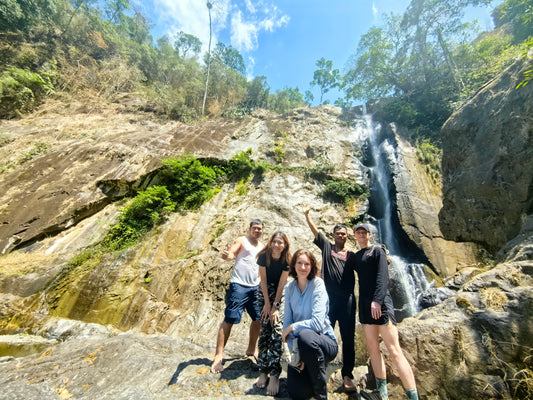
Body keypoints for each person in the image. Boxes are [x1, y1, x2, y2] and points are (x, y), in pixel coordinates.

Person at [352, 223, 419, 400]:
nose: (360, 235)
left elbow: (383, 277)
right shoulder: (357, 256)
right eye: (357, 233)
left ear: (369, 235)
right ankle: (383, 395)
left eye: (363, 232)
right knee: (373, 349)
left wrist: (377, 301)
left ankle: (413, 396)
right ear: (355, 236)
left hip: (380, 305)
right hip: (365, 308)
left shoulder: (377, 251)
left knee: (394, 351)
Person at [302, 204, 357, 392]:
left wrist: (383, 257)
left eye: (344, 234)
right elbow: (315, 231)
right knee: (324, 334)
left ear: (347, 236)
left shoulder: (352, 255)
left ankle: (347, 375)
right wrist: (307, 215)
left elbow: (366, 265)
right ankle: (319, 371)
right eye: (338, 233)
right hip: (329, 300)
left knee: (348, 338)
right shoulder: (327, 247)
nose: (341, 236)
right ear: (333, 235)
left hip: (348, 300)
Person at [282, 249, 338, 400]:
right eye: (299, 263)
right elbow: (286, 323)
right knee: (297, 393)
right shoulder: (289, 288)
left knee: (306, 335)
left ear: (312, 266)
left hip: (324, 342)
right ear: (293, 265)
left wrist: (294, 327)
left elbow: (317, 324)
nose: (303, 267)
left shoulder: (317, 284)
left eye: (307, 264)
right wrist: (296, 352)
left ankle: (321, 395)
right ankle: (310, 368)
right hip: (301, 346)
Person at [211, 219, 264, 374]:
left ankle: (251, 349)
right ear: (249, 229)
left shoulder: (262, 247)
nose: (257, 231)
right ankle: (218, 356)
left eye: (260, 229)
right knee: (230, 319)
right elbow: (232, 253)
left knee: (258, 318)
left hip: (255, 287)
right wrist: (228, 256)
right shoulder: (242, 240)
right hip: (239, 286)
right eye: (255, 228)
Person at [254, 231, 292, 396]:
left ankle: (275, 374)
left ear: (285, 245)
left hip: (279, 294)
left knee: (277, 330)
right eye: (274, 242)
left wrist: (275, 306)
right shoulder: (263, 256)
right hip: (263, 293)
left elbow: (282, 283)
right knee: (265, 330)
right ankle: (263, 371)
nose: (277, 245)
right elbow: (262, 280)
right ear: (271, 243)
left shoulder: (287, 260)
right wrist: (267, 306)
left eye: (280, 243)